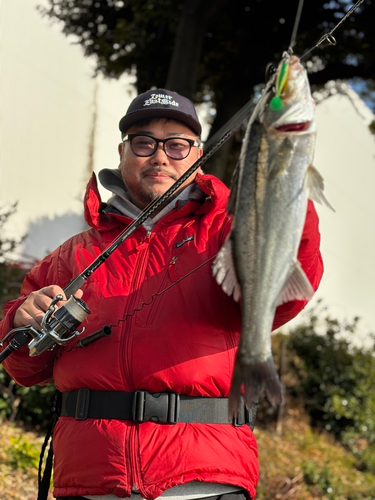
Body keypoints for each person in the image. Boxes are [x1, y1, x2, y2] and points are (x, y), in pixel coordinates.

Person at [0, 89, 323, 500]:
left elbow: (289, 292)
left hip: (204, 482)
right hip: (88, 482)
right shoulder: (71, 255)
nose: (159, 156)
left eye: (176, 144)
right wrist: (19, 321)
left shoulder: (228, 232)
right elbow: (25, 369)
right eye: (143, 142)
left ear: (198, 154)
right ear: (122, 153)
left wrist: (287, 179)